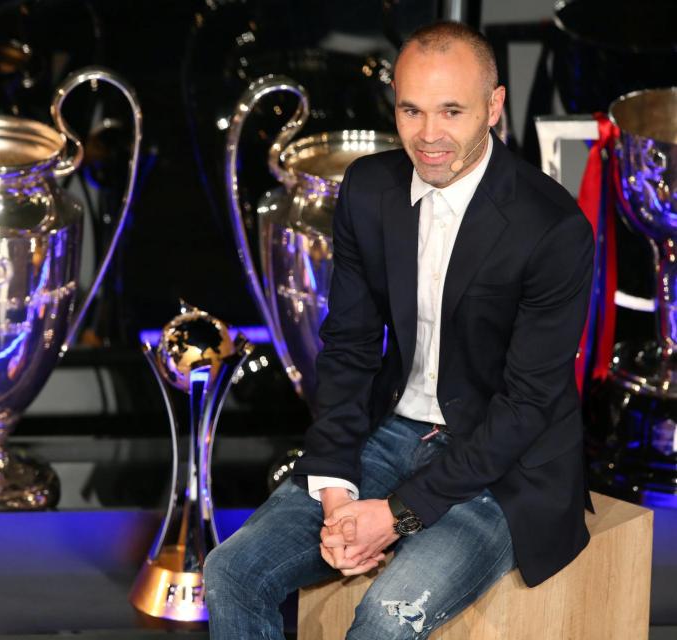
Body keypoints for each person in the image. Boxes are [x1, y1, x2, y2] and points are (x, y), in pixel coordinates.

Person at [204, 20, 594, 640]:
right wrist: (335, 490)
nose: (429, 135)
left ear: (494, 107)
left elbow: (527, 406)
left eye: (451, 111)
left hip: (504, 466)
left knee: (388, 616)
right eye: (411, 110)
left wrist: (396, 514)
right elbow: (351, 346)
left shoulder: (553, 227)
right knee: (230, 572)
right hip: (392, 430)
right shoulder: (369, 188)